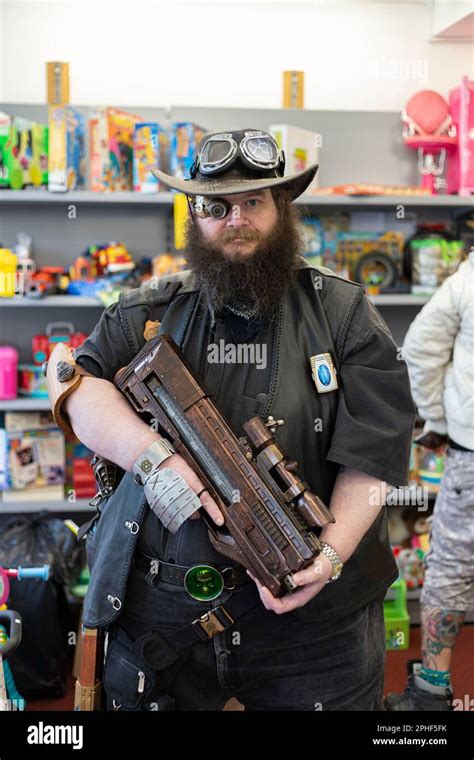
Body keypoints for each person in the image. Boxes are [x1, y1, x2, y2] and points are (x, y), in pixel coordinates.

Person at [49, 129, 416, 711]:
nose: (235, 220)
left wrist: (330, 556)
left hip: (314, 628)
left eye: (253, 202)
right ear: (195, 215)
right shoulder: (147, 310)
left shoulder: (344, 313)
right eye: (216, 206)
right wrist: (157, 457)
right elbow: (73, 385)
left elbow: (375, 454)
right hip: (162, 617)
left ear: (281, 208)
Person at [385, 249, 474, 711]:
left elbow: (418, 348)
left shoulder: (466, 281)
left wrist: (436, 421)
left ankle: (432, 690)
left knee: (453, 562)